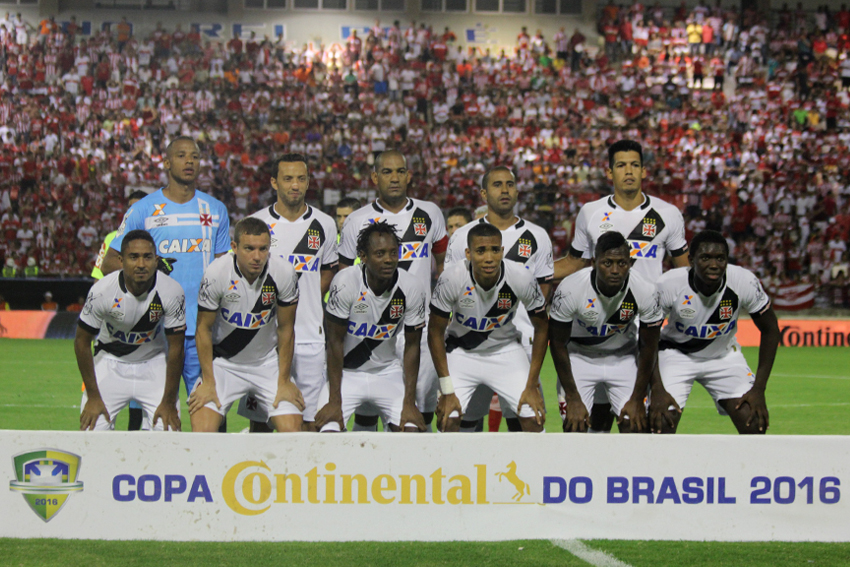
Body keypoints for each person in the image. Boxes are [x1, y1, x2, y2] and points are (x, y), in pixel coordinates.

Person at [553, 139, 689, 432]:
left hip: (646, 326)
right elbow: (575, 262)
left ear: (644, 171)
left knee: (647, 422)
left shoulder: (667, 214)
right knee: (598, 421)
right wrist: (531, 273)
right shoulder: (591, 212)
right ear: (610, 172)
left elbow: (684, 272)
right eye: (621, 165)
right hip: (600, 321)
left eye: (635, 165)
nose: (629, 171)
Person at [103, 137, 231, 431]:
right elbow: (109, 263)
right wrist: (148, 272)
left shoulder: (215, 210)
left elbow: (224, 269)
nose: (189, 161)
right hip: (156, 333)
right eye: (182, 155)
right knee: (156, 422)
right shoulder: (144, 210)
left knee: (211, 416)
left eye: (195, 156)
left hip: (203, 331)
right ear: (167, 163)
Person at [338, 150, 447, 430]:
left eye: (400, 171)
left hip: (417, 328)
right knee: (367, 412)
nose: (395, 178)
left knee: (418, 413)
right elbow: (344, 275)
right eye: (387, 172)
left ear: (409, 176)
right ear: (375, 177)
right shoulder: (357, 220)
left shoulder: (430, 213)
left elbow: (443, 266)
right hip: (371, 328)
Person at [444, 166, 553, 431]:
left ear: (517, 191)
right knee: (466, 420)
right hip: (469, 343)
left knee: (523, 418)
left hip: (519, 341)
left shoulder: (537, 236)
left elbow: (542, 291)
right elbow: (451, 288)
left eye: (509, 184)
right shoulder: (461, 237)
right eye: (497, 185)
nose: (504, 190)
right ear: (483, 194)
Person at [237, 154, 338, 432]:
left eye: (301, 179)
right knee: (261, 424)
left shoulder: (325, 224)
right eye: (288, 178)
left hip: (309, 338)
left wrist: (300, 298)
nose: (295, 185)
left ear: (308, 182)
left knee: (309, 422)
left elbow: (328, 270)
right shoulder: (256, 223)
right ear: (274, 182)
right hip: (264, 341)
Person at [650, 230, 780, 435]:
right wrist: (656, 388)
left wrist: (759, 388)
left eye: (720, 258)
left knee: (754, 422)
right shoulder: (668, 284)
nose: (714, 264)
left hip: (723, 356)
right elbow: (647, 337)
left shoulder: (743, 281)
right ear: (691, 260)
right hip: (676, 354)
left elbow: (771, 330)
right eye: (705, 258)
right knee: (661, 422)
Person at [429, 223, 547, 433]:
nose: (489, 258)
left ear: (502, 251)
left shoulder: (521, 277)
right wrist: (446, 390)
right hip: (462, 353)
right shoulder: (452, 278)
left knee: (534, 419)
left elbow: (542, 327)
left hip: (506, 350)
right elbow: (435, 333)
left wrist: (531, 386)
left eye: (495, 250)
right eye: (481, 251)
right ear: (468, 253)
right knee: (448, 420)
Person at [189, 218, 302, 433]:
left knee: (292, 431)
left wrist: (284, 381)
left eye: (263, 249)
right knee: (202, 432)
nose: (257, 257)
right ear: (234, 247)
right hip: (224, 364)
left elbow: (286, 328)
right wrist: (209, 382)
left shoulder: (284, 272)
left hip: (267, 363)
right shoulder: (216, 273)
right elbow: (203, 329)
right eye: (249, 248)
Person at [314, 221, 427, 433]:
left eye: (393, 253)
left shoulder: (411, 286)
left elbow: (413, 346)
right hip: (346, 373)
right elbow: (334, 342)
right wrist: (334, 401)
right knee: (326, 430)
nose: (388, 259)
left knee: (410, 430)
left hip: (387, 371)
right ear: (363, 256)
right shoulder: (345, 282)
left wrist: (409, 403)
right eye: (380, 253)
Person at [549, 231, 663, 433]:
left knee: (636, 425)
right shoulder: (570, 289)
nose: (615, 270)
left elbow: (649, 346)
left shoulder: (646, 290)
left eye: (622, 263)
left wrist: (638, 398)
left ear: (631, 263)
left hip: (623, 357)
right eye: (607, 263)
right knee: (575, 426)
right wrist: (572, 397)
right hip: (579, 357)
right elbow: (558, 343)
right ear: (594, 262)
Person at [75, 230, 186, 431]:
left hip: (154, 362)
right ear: (121, 260)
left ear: (156, 260)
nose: (141, 264)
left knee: (169, 432)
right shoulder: (102, 291)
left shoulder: (172, 291)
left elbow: (177, 347)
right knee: (91, 432)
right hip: (109, 362)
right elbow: (82, 342)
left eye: (147, 257)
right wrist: (93, 396)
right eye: (133, 257)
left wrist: (169, 401)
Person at [92, 189, 149, 431]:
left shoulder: (156, 238)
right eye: (130, 207)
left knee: (142, 395)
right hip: (116, 319)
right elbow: (99, 278)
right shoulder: (112, 239)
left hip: (149, 320)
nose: (134, 212)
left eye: (139, 207)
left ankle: (135, 436)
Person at [92, 190, 148, 280]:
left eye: (137, 208)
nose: (133, 212)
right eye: (130, 208)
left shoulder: (156, 235)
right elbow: (99, 276)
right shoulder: (112, 237)